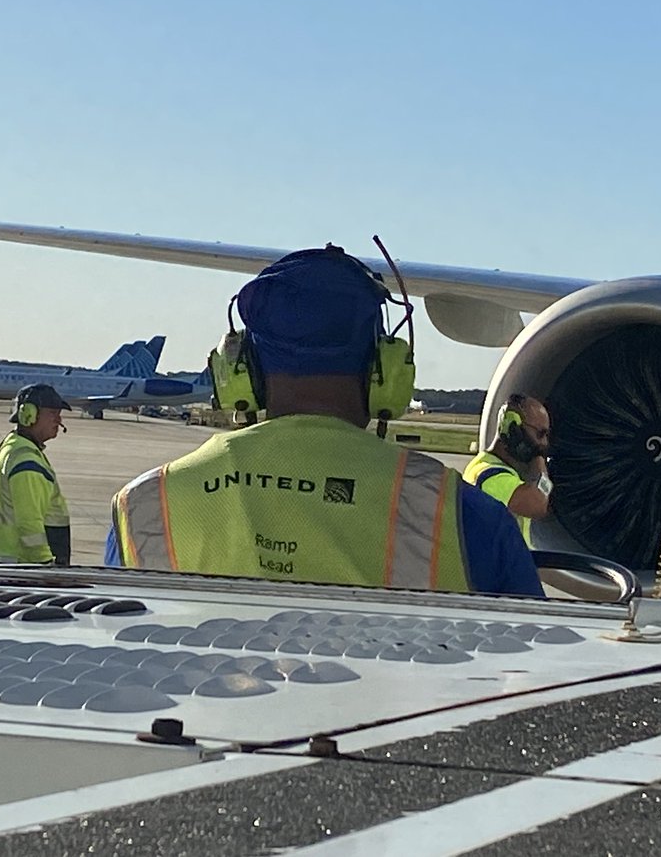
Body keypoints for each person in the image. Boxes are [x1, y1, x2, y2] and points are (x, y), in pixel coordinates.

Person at [107, 245, 542, 597]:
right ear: (385, 372)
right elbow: (534, 665)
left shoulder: (144, 507)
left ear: (240, 373)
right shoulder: (466, 517)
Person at [0, 383, 72, 565]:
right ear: (29, 415)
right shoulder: (26, 461)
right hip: (26, 565)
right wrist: (44, 563)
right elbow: (29, 522)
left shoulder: (13, 446)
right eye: (52, 413)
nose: (59, 420)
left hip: (13, 561)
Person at [463, 394, 553, 545]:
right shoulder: (489, 475)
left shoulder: (499, 469)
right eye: (540, 434)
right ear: (513, 429)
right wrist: (540, 466)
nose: (544, 443)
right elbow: (538, 505)